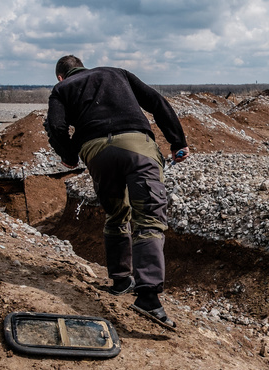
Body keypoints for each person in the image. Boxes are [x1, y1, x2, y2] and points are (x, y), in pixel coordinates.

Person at [45, 55, 189, 329]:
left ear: (60, 76)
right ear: (83, 65)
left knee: (116, 213)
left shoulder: (61, 89)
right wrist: (177, 141)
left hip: (96, 152)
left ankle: (121, 280)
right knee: (148, 218)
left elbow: (56, 126)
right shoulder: (117, 73)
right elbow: (156, 102)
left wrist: (69, 156)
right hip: (138, 147)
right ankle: (147, 296)